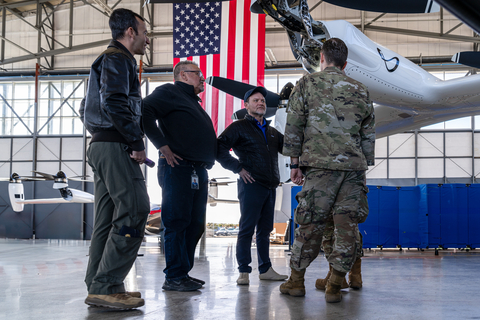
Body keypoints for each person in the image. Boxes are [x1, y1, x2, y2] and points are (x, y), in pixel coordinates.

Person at [280, 37, 375, 303]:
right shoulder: (361, 89)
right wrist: (363, 162)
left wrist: (295, 164)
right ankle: (335, 284)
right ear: (345, 63)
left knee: (310, 224)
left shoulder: (307, 84)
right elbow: (368, 133)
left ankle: (296, 282)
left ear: (321, 58)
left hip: (320, 167)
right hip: (353, 169)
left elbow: (294, 125)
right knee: (347, 226)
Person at [79, 8, 150, 310]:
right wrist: (135, 141)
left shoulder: (107, 61)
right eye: (145, 32)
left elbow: (86, 107)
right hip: (115, 144)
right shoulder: (119, 58)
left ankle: (100, 284)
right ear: (130, 32)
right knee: (135, 208)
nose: (148, 39)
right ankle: (106, 284)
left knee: (107, 220)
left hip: (100, 143)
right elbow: (115, 101)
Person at [143, 60, 217, 292]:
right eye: (198, 74)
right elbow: (144, 111)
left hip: (197, 170)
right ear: (183, 75)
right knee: (177, 222)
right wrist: (162, 145)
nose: (202, 78)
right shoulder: (169, 91)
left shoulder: (192, 102)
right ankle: (174, 276)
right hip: (178, 168)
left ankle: (182, 273)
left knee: (195, 224)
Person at [217, 86, 288, 285]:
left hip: (270, 185)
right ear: (246, 105)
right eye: (256, 100)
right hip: (251, 184)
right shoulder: (238, 127)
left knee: (265, 230)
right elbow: (219, 147)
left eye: (263, 101)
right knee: (247, 229)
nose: (261, 103)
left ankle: (265, 269)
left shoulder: (273, 132)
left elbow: (290, 147)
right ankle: (244, 271)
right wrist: (237, 168)